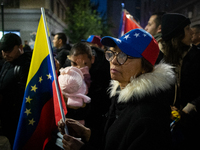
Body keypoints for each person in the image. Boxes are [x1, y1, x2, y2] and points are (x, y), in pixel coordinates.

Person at [58, 29, 175, 150]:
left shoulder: (148, 118)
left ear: (146, 67)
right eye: (112, 53)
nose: (113, 61)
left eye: (124, 56)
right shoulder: (121, 94)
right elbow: (113, 141)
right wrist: (87, 134)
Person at [161, 13, 200, 150]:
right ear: (177, 34)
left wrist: (188, 109)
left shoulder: (197, 56)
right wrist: (167, 108)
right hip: (163, 125)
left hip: (192, 126)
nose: (192, 32)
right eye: (187, 28)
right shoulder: (158, 59)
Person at [65, 42, 111, 148]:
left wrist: (84, 81)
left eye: (84, 64)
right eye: (74, 64)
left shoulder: (103, 75)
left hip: (94, 129)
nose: (78, 68)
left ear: (92, 60)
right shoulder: (67, 69)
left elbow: (100, 106)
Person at [0, 33, 31, 147]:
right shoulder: (7, 63)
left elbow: (24, 95)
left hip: (18, 120)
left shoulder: (26, 65)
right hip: (6, 118)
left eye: (8, 50)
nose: (5, 54)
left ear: (20, 47)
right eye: (3, 50)